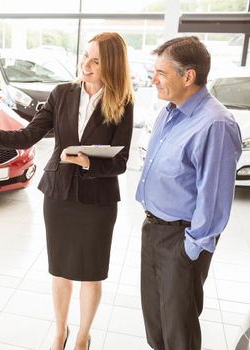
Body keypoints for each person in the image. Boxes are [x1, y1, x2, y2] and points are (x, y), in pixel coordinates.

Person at [0, 32, 134, 350]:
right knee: (60, 270)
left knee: (91, 273)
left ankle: (82, 336)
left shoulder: (123, 103)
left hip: (98, 202)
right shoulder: (62, 93)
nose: (85, 64)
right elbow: (27, 135)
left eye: (96, 60)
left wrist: (89, 162)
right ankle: (60, 332)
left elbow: (121, 160)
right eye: (84, 56)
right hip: (59, 195)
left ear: (112, 66)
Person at [136, 36, 242, 350]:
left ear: (188, 76)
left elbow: (215, 199)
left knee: (178, 333)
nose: (153, 80)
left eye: (161, 73)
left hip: (181, 241)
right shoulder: (169, 112)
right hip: (153, 230)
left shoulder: (216, 124)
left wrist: (190, 250)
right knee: (156, 327)